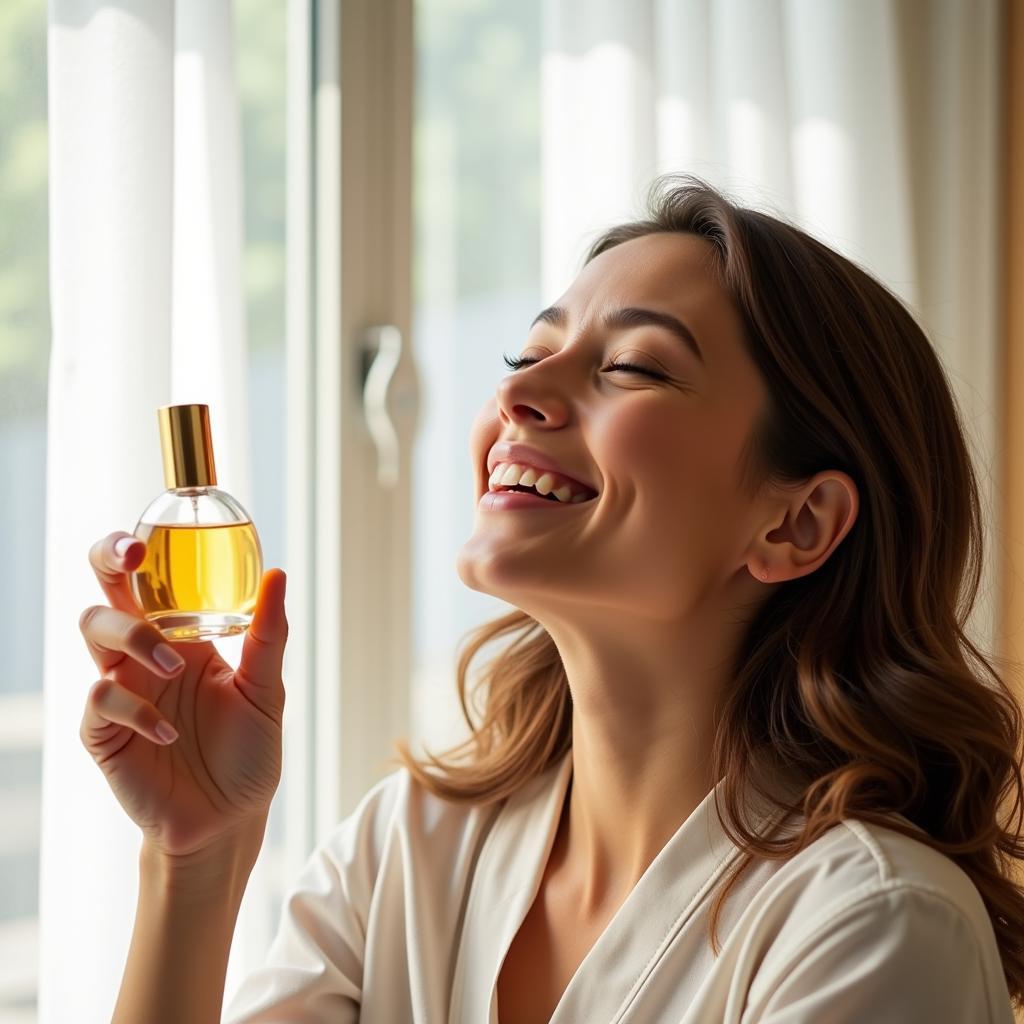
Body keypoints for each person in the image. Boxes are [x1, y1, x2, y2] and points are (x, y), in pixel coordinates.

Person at [79, 174, 1023, 1023]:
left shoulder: (874, 926)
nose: (522, 390)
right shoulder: (411, 848)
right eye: (528, 352)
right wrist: (195, 860)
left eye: (634, 367)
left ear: (798, 524)